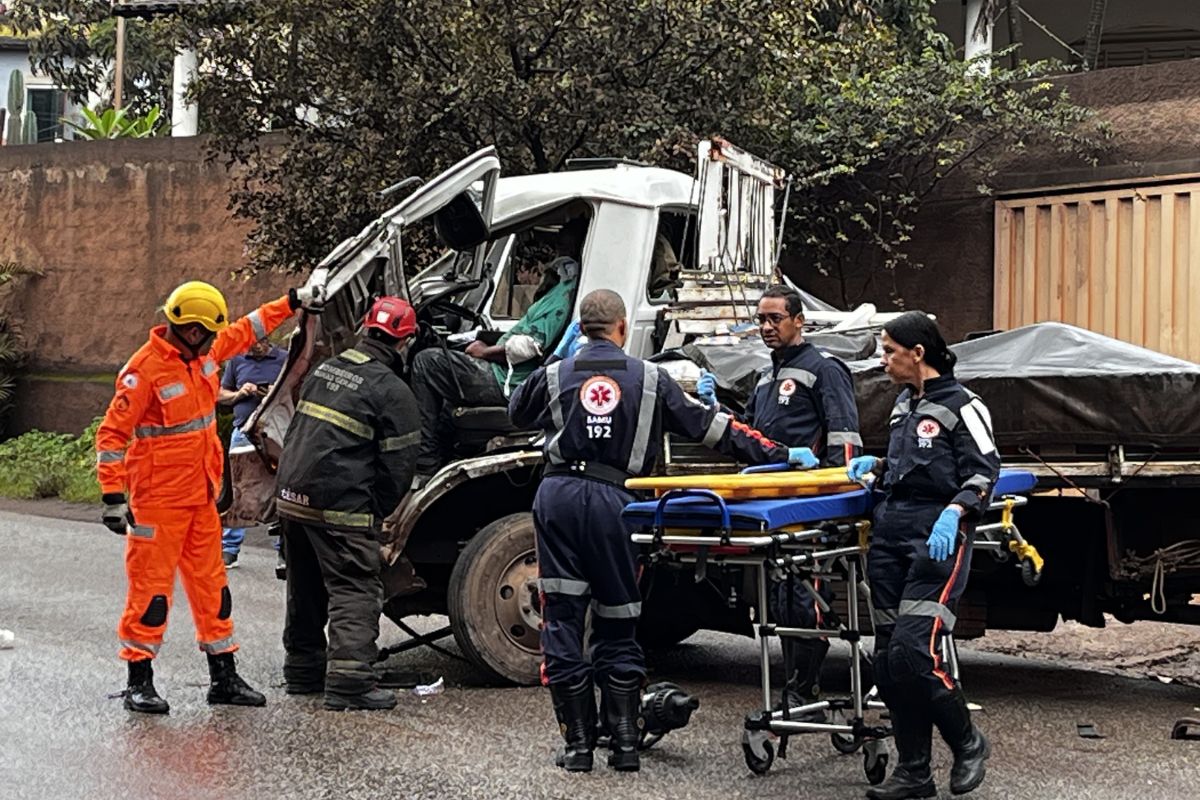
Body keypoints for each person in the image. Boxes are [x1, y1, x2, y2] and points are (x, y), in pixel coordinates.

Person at [509, 289, 818, 773]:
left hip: (559, 498)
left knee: (563, 618)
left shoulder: (554, 373)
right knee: (618, 615)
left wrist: (553, 361)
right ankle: (625, 743)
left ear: (581, 330)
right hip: (617, 500)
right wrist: (780, 454)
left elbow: (514, 411)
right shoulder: (651, 378)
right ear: (622, 327)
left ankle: (578, 747)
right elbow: (713, 429)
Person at [96, 279, 323, 714]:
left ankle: (224, 677)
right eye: (205, 333)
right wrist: (111, 495)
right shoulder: (143, 371)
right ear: (189, 328)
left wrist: (291, 302)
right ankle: (139, 681)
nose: (211, 340)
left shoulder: (206, 354)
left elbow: (248, 328)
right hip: (156, 504)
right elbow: (111, 435)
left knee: (213, 590)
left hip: (201, 499)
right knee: (150, 594)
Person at [845, 311, 999, 799]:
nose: (883, 361)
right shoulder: (903, 404)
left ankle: (967, 741)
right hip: (891, 532)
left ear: (917, 353)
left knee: (915, 650)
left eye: (889, 351)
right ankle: (915, 772)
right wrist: (879, 466)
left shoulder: (963, 405)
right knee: (888, 660)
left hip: (936, 537)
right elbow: (915, 463)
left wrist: (955, 511)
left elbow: (984, 471)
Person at [697, 284, 861, 719]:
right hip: (771, 504)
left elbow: (844, 437)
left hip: (807, 504)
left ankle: (805, 690)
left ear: (798, 321)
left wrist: (835, 499)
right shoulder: (767, 377)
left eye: (775, 319)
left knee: (806, 597)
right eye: (761, 319)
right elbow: (752, 434)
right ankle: (794, 689)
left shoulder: (824, 369)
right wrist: (718, 411)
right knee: (780, 596)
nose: (766, 327)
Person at [274, 296, 421, 711]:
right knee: (355, 586)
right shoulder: (392, 391)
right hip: (339, 505)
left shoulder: (326, 369)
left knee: (305, 584)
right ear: (405, 341)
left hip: (292, 497)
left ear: (366, 327)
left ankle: (303, 670)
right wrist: (372, 512)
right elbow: (398, 470)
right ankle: (350, 683)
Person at [411, 218, 586, 482]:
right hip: (508, 371)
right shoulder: (561, 286)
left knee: (427, 363)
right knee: (444, 379)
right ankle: (445, 451)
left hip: (509, 380)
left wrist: (485, 351)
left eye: (565, 236)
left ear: (574, 245)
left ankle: (424, 464)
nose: (558, 241)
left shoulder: (563, 294)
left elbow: (530, 345)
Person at [217, 336, 288, 568]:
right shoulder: (237, 360)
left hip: (275, 431)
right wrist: (240, 393)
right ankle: (229, 548)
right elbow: (220, 394)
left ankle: (283, 550)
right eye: (251, 343)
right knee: (240, 487)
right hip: (243, 430)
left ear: (268, 339)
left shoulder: (284, 358)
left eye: (260, 342)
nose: (255, 347)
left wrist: (274, 393)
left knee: (281, 488)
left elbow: (296, 391)